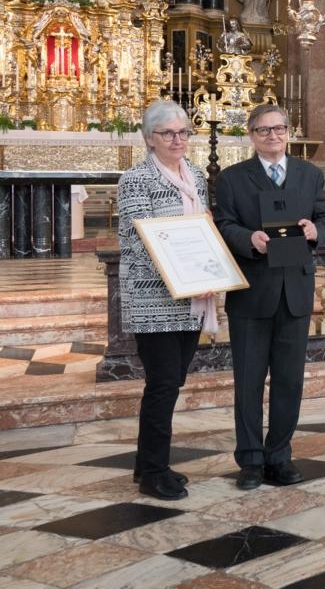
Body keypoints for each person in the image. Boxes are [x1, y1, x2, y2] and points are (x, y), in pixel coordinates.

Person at [214, 104, 325, 490]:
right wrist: (247, 239)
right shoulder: (232, 179)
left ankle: (279, 456)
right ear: (251, 135)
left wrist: (316, 230)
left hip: (295, 290)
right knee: (249, 381)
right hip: (252, 292)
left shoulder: (309, 174)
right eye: (264, 130)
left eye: (279, 129)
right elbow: (222, 224)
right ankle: (250, 460)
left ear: (289, 132)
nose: (273, 136)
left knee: (289, 381)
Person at [118, 100, 215, 501]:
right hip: (154, 298)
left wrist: (209, 271)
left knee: (172, 381)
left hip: (192, 297)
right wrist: (191, 277)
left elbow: (203, 230)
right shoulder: (135, 179)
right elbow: (143, 243)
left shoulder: (194, 174)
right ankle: (153, 473)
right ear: (149, 138)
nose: (178, 140)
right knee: (162, 385)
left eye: (183, 132)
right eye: (168, 134)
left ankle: (148, 462)